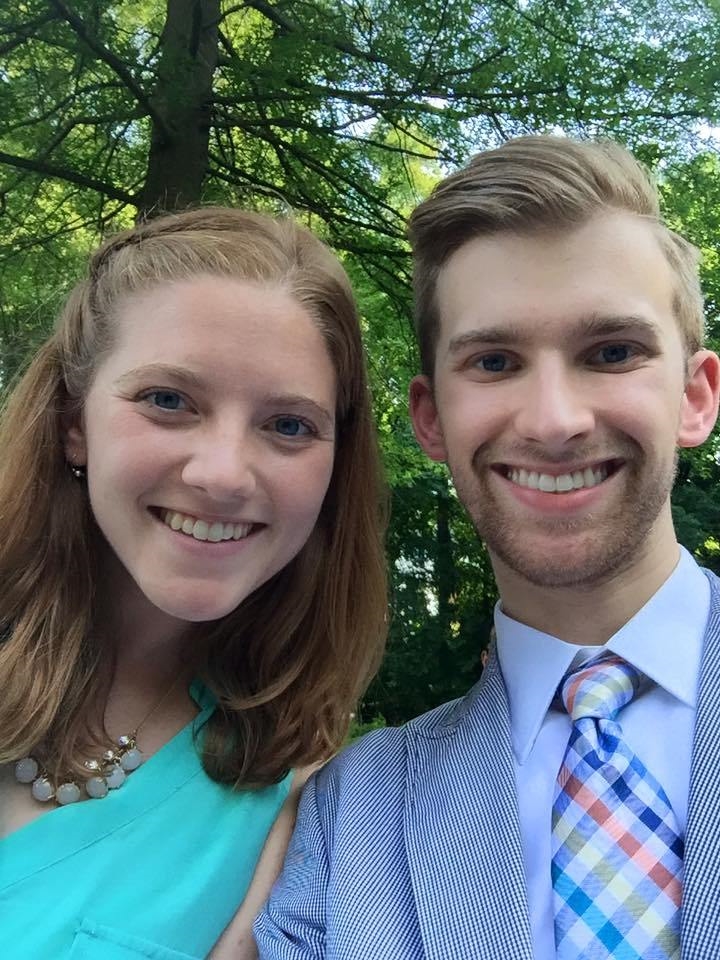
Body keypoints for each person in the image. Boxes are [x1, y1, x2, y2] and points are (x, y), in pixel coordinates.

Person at [254, 136, 720, 959]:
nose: (552, 420)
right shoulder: (346, 817)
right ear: (430, 419)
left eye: (611, 352)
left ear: (694, 395)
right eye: (495, 361)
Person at [0, 207, 387, 958]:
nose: (221, 474)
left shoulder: (310, 816)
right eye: (169, 401)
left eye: (288, 426)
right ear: (74, 422)